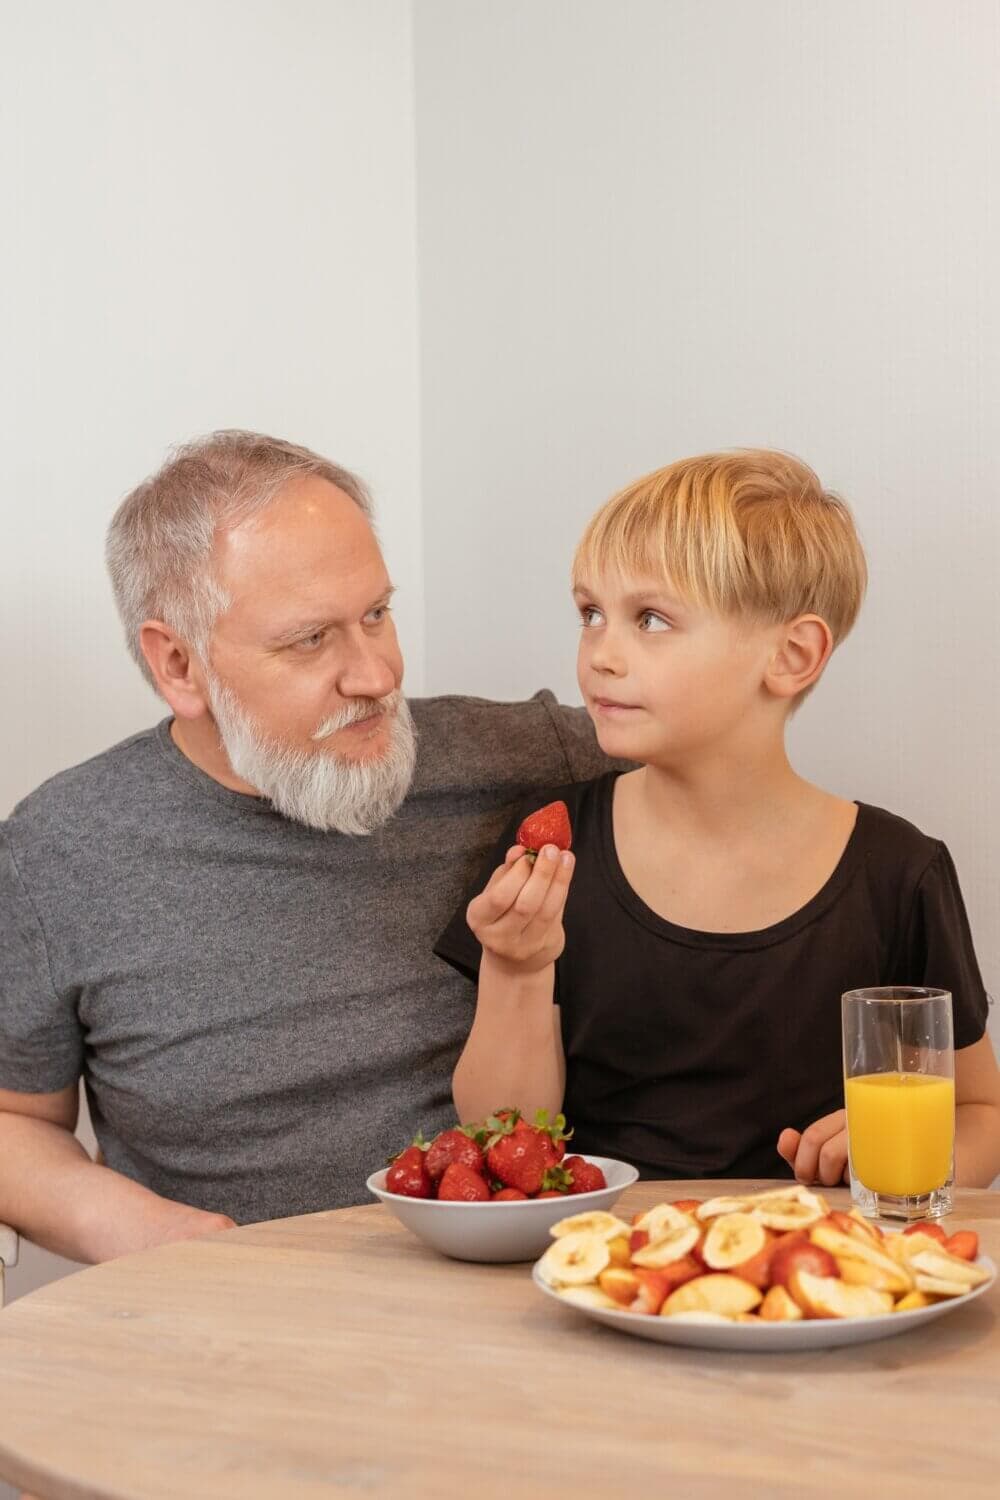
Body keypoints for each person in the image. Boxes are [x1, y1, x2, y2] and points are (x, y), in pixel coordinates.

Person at [0, 431, 616, 1264]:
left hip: (499, 1299)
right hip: (233, 1324)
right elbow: (15, 1121)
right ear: (178, 665)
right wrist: (152, 1232)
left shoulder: (514, 757)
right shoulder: (57, 851)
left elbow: (712, 742)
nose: (377, 675)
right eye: (311, 640)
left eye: (376, 614)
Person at [438, 449, 1000, 1186]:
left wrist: (902, 1154)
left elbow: (980, 1114)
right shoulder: (553, 848)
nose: (601, 654)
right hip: (602, 1259)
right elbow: (501, 1141)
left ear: (792, 655)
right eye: (590, 614)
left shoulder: (899, 873)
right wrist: (517, 966)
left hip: (815, 1275)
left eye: (651, 619)